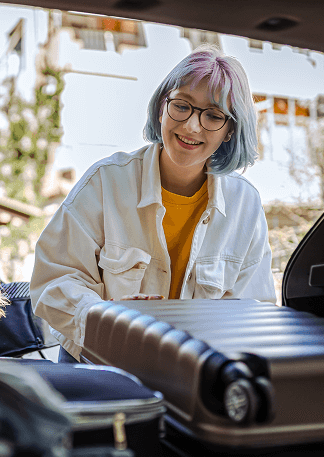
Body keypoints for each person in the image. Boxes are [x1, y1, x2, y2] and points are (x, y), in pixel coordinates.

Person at [30, 46, 276, 363]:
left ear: (230, 130)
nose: (191, 126)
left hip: (194, 369)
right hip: (101, 361)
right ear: (162, 108)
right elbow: (55, 280)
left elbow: (255, 309)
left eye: (213, 116)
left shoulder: (245, 205)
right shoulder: (105, 182)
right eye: (182, 106)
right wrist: (108, 320)